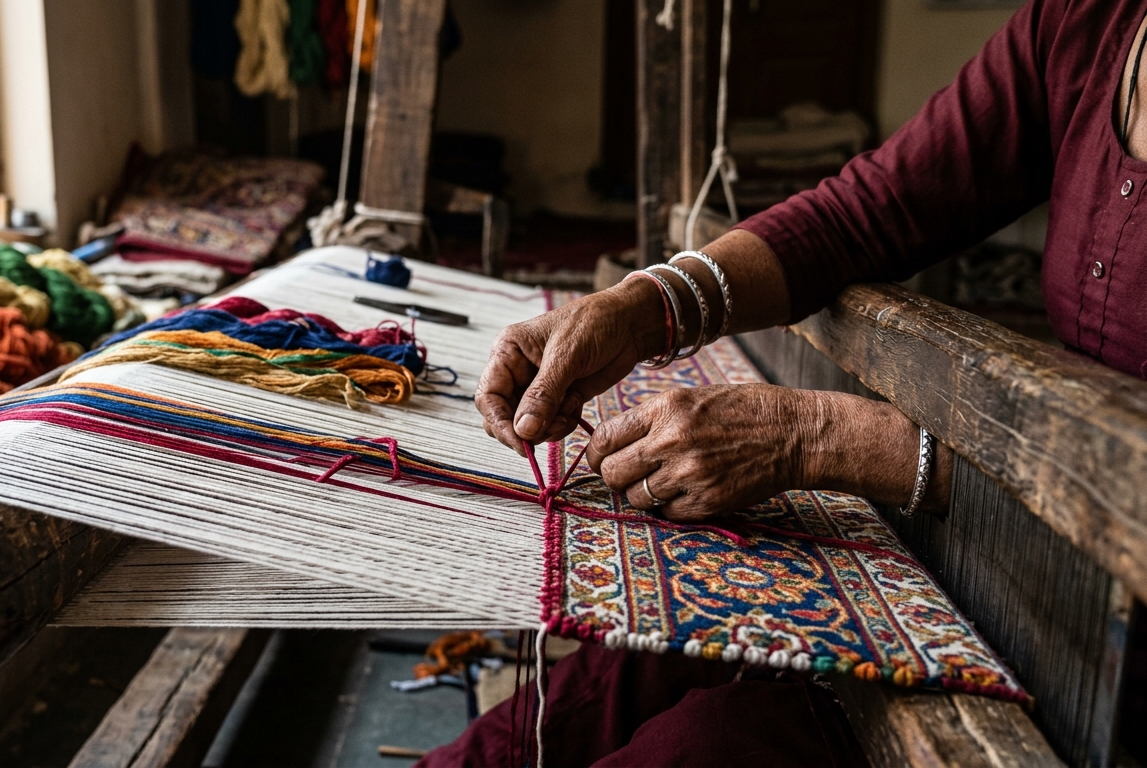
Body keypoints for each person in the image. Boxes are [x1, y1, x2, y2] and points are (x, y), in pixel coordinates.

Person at [423, 1, 1147, 765]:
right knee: (610, 681)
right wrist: (641, 307)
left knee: (707, 747)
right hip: (1021, 569)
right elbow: (871, 212)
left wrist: (825, 438)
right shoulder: (1090, 23)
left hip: (1109, 665)